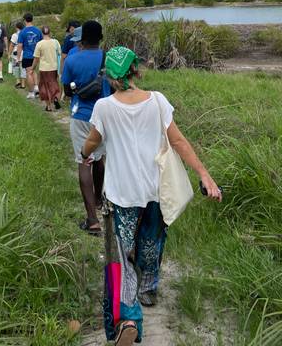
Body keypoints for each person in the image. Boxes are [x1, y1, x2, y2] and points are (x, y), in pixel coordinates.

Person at [82, 46, 222, 345]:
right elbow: (179, 141)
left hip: (122, 194)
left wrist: (85, 152)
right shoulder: (158, 101)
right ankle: (148, 288)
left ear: (110, 76)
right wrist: (204, 174)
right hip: (156, 190)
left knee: (120, 255)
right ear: (136, 70)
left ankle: (130, 316)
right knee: (151, 243)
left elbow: (92, 142)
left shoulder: (104, 107)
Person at [62, 20, 111, 235]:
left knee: (84, 162)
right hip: (106, 116)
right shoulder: (108, 59)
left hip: (81, 115)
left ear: (81, 39)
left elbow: (68, 89)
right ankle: (99, 199)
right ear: (100, 38)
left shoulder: (72, 59)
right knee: (100, 158)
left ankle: (92, 220)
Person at [32, 26, 62, 111]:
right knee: (54, 84)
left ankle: (48, 106)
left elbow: (36, 58)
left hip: (44, 69)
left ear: (42, 33)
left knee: (43, 86)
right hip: (54, 68)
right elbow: (60, 53)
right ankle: (55, 97)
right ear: (50, 32)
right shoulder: (55, 42)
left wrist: (32, 68)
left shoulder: (40, 44)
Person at [17, 13, 42, 99]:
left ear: (25, 20)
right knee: (33, 71)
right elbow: (41, 43)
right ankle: (36, 87)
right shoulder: (38, 31)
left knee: (29, 73)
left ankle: (31, 92)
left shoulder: (22, 32)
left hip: (27, 56)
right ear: (32, 19)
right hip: (37, 56)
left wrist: (18, 57)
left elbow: (19, 46)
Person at [9, 21, 26, 89]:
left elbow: (12, 45)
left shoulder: (15, 35)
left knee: (16, 67)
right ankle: (23, 84)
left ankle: (18, 81)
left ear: (17, 28)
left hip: (16, 53)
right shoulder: (25, 34)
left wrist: (9, 53)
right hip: (24, 53)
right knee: (23, 68)